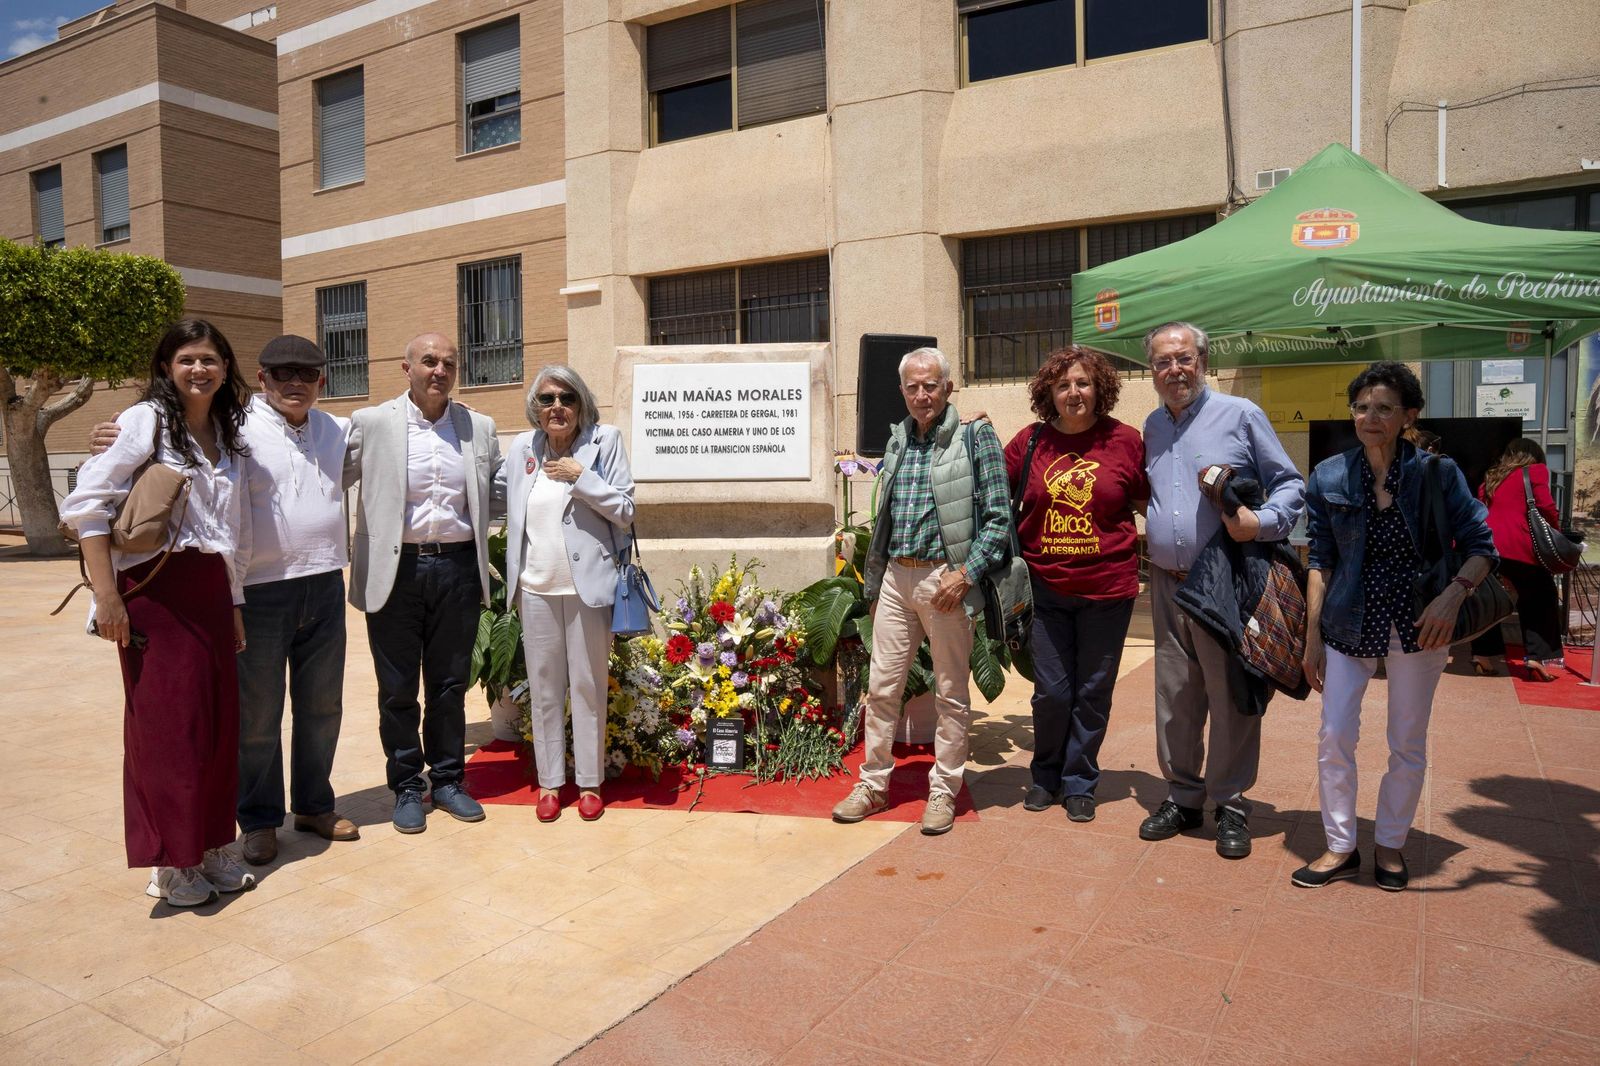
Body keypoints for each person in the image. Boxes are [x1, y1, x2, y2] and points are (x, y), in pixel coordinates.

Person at [90, 335, 362, 866]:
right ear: (261, 379)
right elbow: (162, 433)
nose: (294, 383)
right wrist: (111, 432)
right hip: (258, 590)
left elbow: (399, 430)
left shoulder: (337, 430)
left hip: (326, 584)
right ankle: (259, 820)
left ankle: (313, 805)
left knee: (322, 707)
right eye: (281, 374)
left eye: (306, 375)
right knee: (258, 715)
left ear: (321, 382)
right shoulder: (233, 423)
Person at [59, 319, 257, 906]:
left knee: (219, 727)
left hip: (211, 590)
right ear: (167, 368)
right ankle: (171, 862)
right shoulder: (146, 421)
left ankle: (214, 844)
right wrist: (107, 596)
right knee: (167, 730)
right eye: (187, 360)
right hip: (154, 592)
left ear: (226, 368)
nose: (200, 370)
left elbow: (232, 533)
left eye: (211, 359)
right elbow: (87, 505)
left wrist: (236, 603)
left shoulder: (228, 430)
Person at [1297, 361, 1497, 890]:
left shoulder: (1437, 473)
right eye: (1362, 407)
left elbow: (1483, 549)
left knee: (1406, 740)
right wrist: (1312, 636)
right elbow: (1320, 559)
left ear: (1409, 415)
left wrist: (1452, 599)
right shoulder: (1330, 475)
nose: (1371, 417)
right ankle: (1340, 846)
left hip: (1419, 625)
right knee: (1334, 735)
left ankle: (1390, 843)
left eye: (1384, 408)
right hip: (1346, 621)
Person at [1139, 321, 1305, 860]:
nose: (1174, 370)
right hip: (1167, 583)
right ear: (1153, 370)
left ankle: (1231, 803)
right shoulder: (1152, 426)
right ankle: (1184, 797)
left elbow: (1291, 484)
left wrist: (1261, 522)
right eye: (1163, 362)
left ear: (1202, 360)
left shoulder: (1240, 415)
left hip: (1226, 586)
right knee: (1175, 698)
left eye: (1183, 358)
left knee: (1232, 697)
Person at [831, 347, 1011, 836]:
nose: (921, 394)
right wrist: (874, 579)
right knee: (882, 688)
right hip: (896, 577)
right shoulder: (898, 442)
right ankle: (873, 784)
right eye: (912, 386)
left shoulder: (976, 438)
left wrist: (966, 573)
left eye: (930, 385)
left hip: (945, 582)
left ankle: (943, 789)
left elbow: (999, 520)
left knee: (951, 692)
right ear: (902, 391)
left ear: (948, 387)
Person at [347, 332, 503, 833]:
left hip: (457, 568)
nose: (439, 370)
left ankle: (450, 780)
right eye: (429, 361)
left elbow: (502, 491)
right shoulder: (371, 423)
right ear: (406, 367)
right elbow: (322, 469)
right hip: (397, 571)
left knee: (450, 685)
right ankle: (408, 787)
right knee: (396, 689)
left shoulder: (479, 428)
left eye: (448, 363)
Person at [1004, 346, 1148, 823]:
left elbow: (1155, 504)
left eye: (1083, 383)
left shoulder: (1126, 441)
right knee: (1052, 693)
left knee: (1093, 690)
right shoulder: (1028, 443)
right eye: (1063, 384)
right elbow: (990, 495)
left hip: (1109, 589)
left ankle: (1080, 780)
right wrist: (972, 436)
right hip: (1045, 590)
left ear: (1099, 389)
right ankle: (1045, 774)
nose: (1073, 392)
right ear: (1049, 392)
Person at [498, 367, 635, 822]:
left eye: (567, 397)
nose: (557, 406)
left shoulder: (605, 441)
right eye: (546, 398)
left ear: (582, 403)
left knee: (588, 686)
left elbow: (626, 510)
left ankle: (591, 783)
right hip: (535, 587)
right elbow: (500, 496)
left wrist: (582, 477)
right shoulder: (522, 448)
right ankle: (551, 783)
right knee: (543, 689)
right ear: (535, 408)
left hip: (587, 590)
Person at [1471, 438, 1564, 682]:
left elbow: (1480, 508)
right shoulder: (1535, 471)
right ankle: (1536, 657)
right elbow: (1545, 505)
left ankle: (1482, 656)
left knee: (1488, 602)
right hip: (1519, 546)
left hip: (1487, 546)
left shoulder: (1491, 476)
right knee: (1540, 598)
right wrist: (1555, 531)